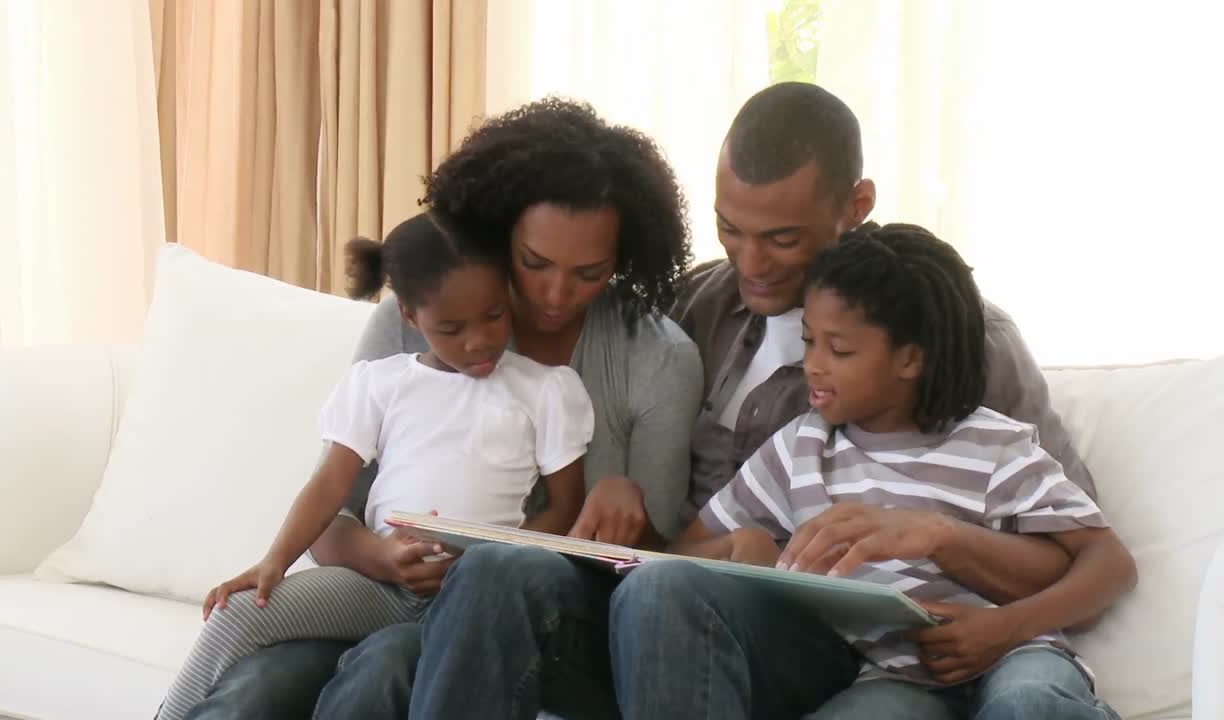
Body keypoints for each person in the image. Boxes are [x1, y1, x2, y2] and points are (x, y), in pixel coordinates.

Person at [388, 83, 1135, 719]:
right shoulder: (693, 311)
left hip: (819, 643)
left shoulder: (960, 341)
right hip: (672, 614)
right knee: (495, 581)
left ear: (856, 206)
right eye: (729, 230)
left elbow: (1080, 556)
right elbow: (675, 546)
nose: (750, 263)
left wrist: (963, 574)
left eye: (781, 238)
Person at [182, 98, 703, 719]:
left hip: (551, 617)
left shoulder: (656, 359)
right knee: (254, 690)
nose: (555, 295)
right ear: (498, 229)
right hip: (383, 590)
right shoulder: (409, 326)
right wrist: (386, 561)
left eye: (588, 273)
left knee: (385, 667)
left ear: (624, 260)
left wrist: (625, 501)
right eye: (533, 263)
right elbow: (336, 507)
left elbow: (658, 570)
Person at [655, 224, 1132, 719]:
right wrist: (737, 549)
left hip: (1018, 652)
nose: (814, 366)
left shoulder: (992, 445)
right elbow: (682, 554)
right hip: (894, 676)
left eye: (839, 350)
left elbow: (1111, 564)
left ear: (909, 360)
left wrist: (1007, 627)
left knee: (1027, 704)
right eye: (809, 342)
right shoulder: (801, 448)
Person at [158, 210, 595, 719]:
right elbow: (328, 487)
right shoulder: (380, 384)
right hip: (377, 586)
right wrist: (273, 563)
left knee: (384, 667)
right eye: (451, 328)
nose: (478, 341)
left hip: (471, 603)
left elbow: (566, 505)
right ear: (410, 317)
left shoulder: (545, 390)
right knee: (237, 613)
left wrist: (486, 569)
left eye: (494, 316)